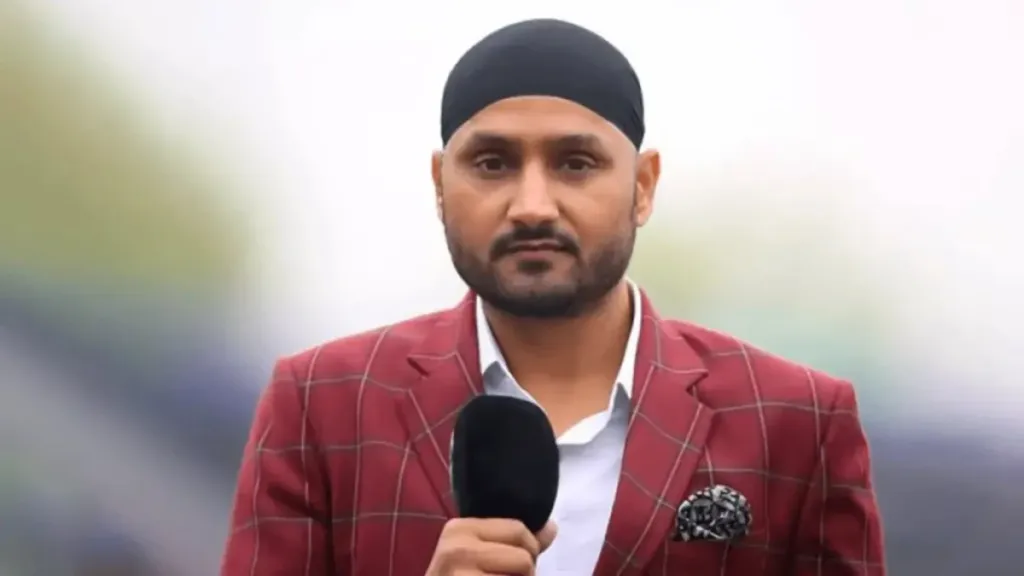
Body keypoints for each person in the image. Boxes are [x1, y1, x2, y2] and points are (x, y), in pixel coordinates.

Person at [221, 18, 886, 576]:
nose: (532, 205)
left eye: (575, 163)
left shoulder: (795, 421)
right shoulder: (323, 405)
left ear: (643, 186)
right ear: (439, 185)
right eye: (492, 163)